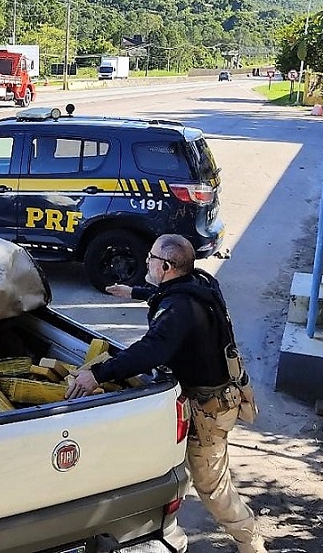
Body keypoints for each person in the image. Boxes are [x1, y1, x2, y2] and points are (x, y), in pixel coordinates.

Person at [66, 234, 265, 553]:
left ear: (167, 267)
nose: (146, 261)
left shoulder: (179, 308)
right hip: (211, 396)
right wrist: (134, 291)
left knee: (212, 487)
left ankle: (251, 544)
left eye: (151, 259)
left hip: (209, 409)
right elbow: (169, 296)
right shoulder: (198, 281)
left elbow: (153, 349)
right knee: (171, 466)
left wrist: (99, 373)